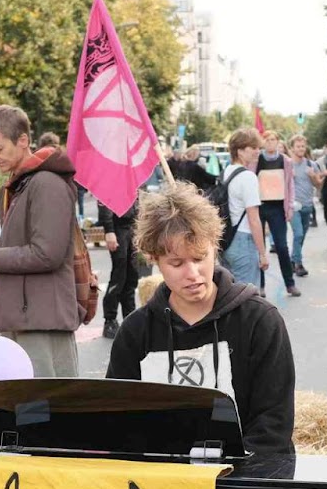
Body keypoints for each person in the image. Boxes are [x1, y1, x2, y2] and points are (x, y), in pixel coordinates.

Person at [107, 184, 295, 456]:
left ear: (215, 248)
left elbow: (273, 423)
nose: (193, 273)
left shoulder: (260, 321)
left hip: (245, 475)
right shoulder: (136, 332)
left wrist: (230, 473)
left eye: (199, 258)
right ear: (154, 259)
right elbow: (119, 419)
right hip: (163, 476)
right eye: (177, 263)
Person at [0, 105, 81, 376]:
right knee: (28, 400)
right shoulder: (24, 184)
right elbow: (27, 245)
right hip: (27, 316)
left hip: (41, 320)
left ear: (23, 140)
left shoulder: (46, 184)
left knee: (45, 399)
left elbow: (46, 254)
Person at [220, 127, 269, 291]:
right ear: (240, 151)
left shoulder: (225, 172)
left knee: (229, 293)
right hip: (244, 240)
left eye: (258, 147)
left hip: (226, 239)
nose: (258, 151)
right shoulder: (248, 177)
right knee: (247, 295)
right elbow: (254, 219)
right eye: (253, 147)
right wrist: (262, 253)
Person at [255, 131, 301, 297]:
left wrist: (290, 206)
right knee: (259, 247)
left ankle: (290, 284)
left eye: (273, 139)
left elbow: (290, 185)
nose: (270, 142)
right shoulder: (256, 160)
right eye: (267, 140)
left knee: (282, 246)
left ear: (278, 141)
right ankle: (260, 286)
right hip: (259, 207)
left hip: (277, 208)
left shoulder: (285, 161)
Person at [98, 196, 139, 339]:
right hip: (118, 227)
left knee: (132, 276)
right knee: (119, 276)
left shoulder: (132, 182)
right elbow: (104, 202)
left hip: (132, 227)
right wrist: (109, 230)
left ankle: (130, 317)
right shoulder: (111, 182)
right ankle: (110, 319)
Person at [287, 135, 320, 277]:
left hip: (307, 205)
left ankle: (293, 260)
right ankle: (298, 264)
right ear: (292, 148)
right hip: (293, 206)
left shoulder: (311, 165)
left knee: (302, 236)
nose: (301, 149)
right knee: (298, 233)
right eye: (298, 146)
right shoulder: (287, 165)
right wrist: (289, 176)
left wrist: (313, 176)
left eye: (303, 146)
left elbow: (319, 185)